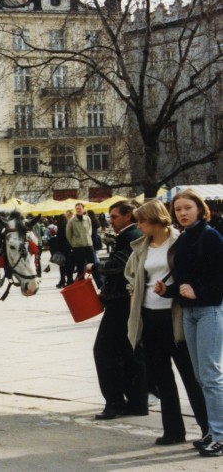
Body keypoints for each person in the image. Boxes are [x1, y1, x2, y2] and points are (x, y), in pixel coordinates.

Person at [125, 200, 208, 445]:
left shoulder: (178, 241)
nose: (138, 225)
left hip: (175, 316)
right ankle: (173, 431)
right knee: (162, 376)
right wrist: (134, 291)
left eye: (141, 221)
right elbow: (131, 273)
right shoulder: (142, 246)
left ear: (154, 220)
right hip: (149, 315)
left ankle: (209, 429)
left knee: (190, 376)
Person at [154, 190, 223, 457]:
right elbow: (184, 281)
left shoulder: (211, 237)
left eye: (188, 208)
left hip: (209, 311)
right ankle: (212, 431)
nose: (182, 213)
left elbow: (217, 278)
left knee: (211, 376)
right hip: (190, 313)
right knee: (200, 376)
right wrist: (167, 291)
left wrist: (199, 293)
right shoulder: (184, 239)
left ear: (200, 209)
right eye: (179, 209)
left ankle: (219, 434)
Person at [92, 200, 147, 420]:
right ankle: (136, 402)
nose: (110, 221)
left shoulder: (131, 236)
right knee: (129, 351)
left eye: (114, 216)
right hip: (123, 299)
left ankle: (114, 402)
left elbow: (120, 267)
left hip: (122, 302)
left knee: (104, 350)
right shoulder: (130, 235)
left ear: (128, 216)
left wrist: (96, 266)